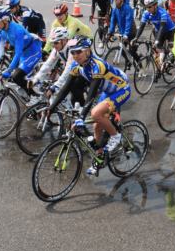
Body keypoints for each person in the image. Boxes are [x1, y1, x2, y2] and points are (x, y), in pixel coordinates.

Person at [47, 35, 131, 175]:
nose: (75, 55)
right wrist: (51, 108)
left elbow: (91, 94)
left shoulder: (97, 65)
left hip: (121, 89)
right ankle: (98, 160)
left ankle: (116, 137)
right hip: (108, 92)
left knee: (95, 113)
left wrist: (81, 117)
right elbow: (66, 88)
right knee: (96, 125)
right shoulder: (76, 65)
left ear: (87, 51)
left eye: (78, 51)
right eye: (72, 52)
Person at [0, 6, 42, 98]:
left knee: (16, 77)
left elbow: (17, 52)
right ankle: (29, 96)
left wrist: (9, 70)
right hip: (23, 55)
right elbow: (0, 50)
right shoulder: (0, 31)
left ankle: (36, 97)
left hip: (33, 53)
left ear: (5, 20)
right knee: (18, 80)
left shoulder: (17, 30)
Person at [30, 27, 87, 107]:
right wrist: (37, 78)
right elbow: (48, 64)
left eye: (56, 42)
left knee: (73, 87)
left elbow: (68, 69)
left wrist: (57, 85)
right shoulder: (57, 49)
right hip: (74, 71)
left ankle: (82, 112)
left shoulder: (72, 49)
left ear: (64, 40)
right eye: (52, 43)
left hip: (85, 71)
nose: (53, 45)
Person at [131, 0, 175, 69]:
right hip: (158, 31)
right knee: (156, 52)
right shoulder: (146, 13)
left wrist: (157, 41)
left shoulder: (163, 12)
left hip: (170, 30)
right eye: (146, 7)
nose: (148, 9)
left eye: (149, 7)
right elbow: (141, 26)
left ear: (155, 5)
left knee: (172, 50)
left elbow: (162, 27)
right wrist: (136, 38)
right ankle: (157, 69)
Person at [107, 0, 140, 65]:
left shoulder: (128, 8)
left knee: (132, 52)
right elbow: (113, 21)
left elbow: (129, 21)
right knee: (122, 50)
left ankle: (141, 68)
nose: (115, 0)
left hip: (131, 32)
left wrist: (126, 34)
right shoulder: (115, 9)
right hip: (122, 32)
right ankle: (128, 61)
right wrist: (111, 31)